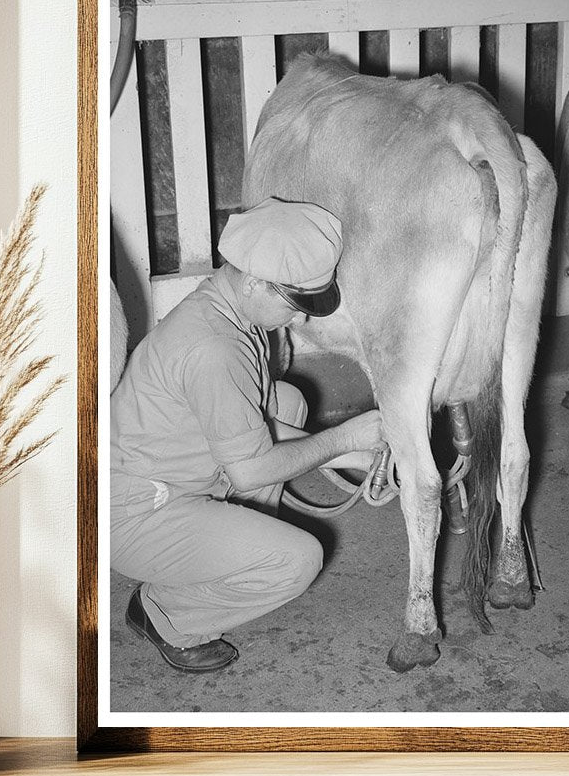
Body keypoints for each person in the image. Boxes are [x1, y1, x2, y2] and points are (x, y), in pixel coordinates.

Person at [110, 198, 384, 673]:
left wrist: (351, 455)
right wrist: (343, 439)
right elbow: (251, 466)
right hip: (137, 515)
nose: (300, 320)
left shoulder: (230, 309)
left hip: (173, 475)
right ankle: (167, 613)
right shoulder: (214, 347)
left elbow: (250, 424)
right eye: (296, 305)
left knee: (286, 400)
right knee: (299, 559)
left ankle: (227, 549)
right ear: (256, 281)